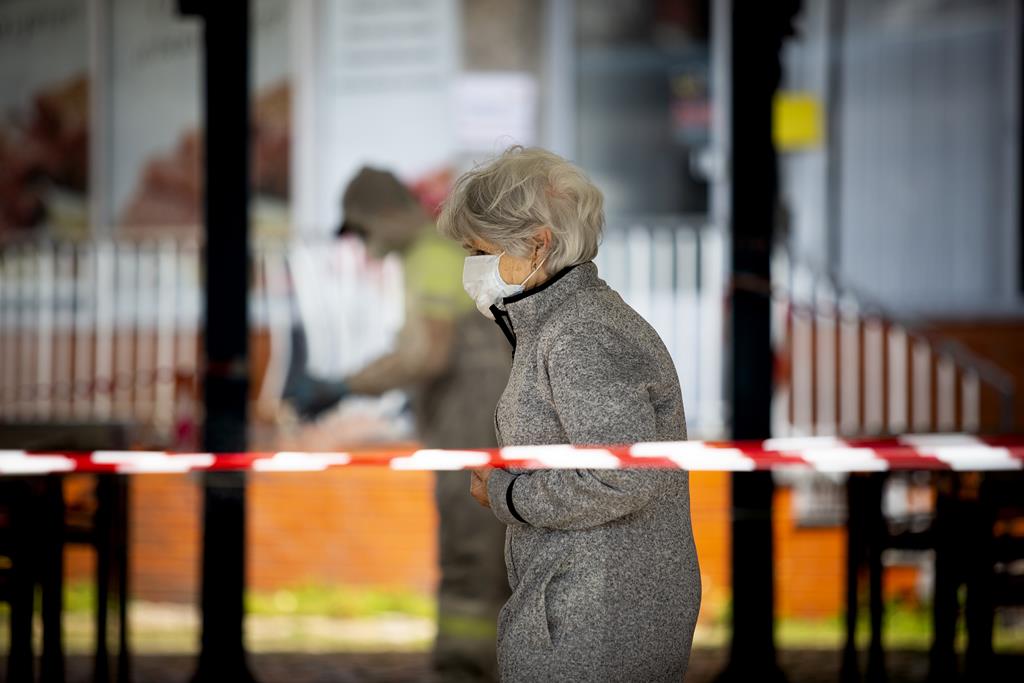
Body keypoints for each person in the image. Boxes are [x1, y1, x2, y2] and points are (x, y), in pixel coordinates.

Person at [437, 146, 701, 682]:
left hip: (598, 612)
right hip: (584, 601)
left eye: (480, 250)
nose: (471, 267)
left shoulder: (580, 332)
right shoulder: (557, 324)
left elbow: (622, 476)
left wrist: (508, 492)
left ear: (538, 243)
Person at [283, 167, 512, 683]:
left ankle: (462, 669)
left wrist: (345, 386)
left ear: (385, 214)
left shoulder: (429, 256)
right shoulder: (436, 253)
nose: (364, 245)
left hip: (470, 423)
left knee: (469, 553)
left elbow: (424, 354)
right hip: (474, 418)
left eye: (363, 230)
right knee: (487, 555)